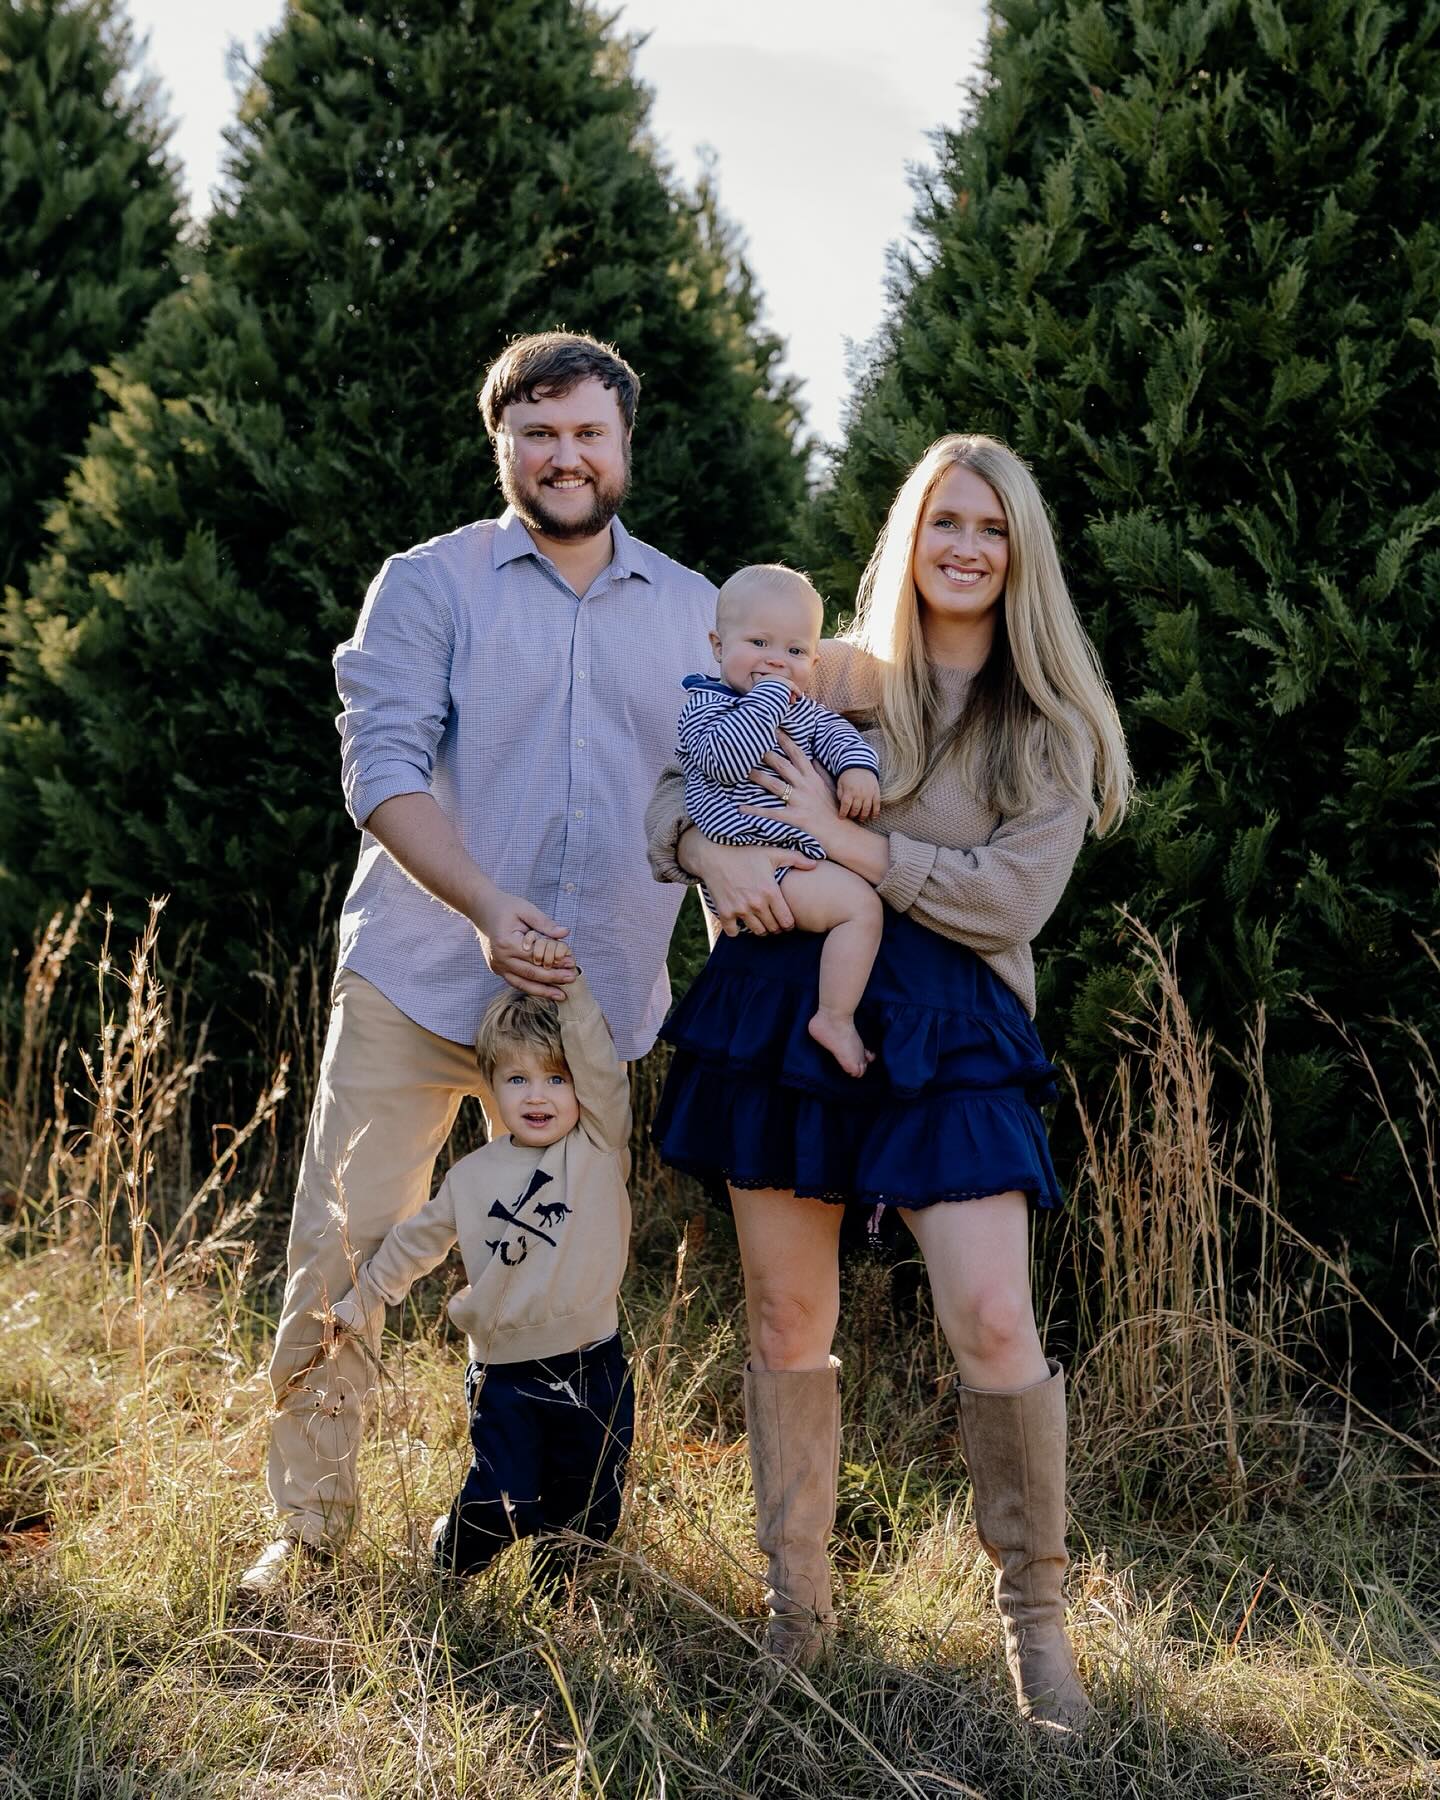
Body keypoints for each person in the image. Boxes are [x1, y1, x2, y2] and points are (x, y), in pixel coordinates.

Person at [644, 434, 1131, 1730]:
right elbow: (683, 774)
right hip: (795, 1004)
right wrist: (707, 848)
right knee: (783, 1320)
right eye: (943, 523)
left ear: (1020, 552)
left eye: (992, 527)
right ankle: (796, 1614)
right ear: (910, 540)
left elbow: (1006, 899)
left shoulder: (1052, 728)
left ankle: (1036, 1625)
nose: (966, 546)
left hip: (957, 1025)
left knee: (993, 1322)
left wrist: (837, 846)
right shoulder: (841, 678)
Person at [239, 331, 717, 1594]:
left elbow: (712, 799)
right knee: (342, 1249)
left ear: (625, 448)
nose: (566, 456)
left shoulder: (693, 611)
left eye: (589, 434)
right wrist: (487, 907)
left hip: (591, 1010)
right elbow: (380, 770)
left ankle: (556, 1537)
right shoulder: (427, 584)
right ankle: (307, 1537)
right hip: (418, 976)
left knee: (570, 1274)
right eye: (540, 432)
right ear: (502, 442)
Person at [326, 947, 633, 1592]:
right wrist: (367, 1296)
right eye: (517, 1080)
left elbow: (602, 1066)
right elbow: (419, 1240)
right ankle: (447, 1560)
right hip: (507, 1372)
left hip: (594, 1364)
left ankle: (558, 1601)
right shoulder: (474, 1178)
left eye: (556, 1078)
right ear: (490, 1089)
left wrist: (572, 990)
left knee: (587, 1505)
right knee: (504, 1498)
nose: (538, 1095)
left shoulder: (598, 1147)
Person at [677, 564, 881, 1077]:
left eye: (794, 652)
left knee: (860, 903)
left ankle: (831, 1010)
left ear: (814, 659)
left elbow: (835, 734)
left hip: (792, 860)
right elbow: (727, 760)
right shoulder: (705, 708)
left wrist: (858, 768)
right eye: (759, 642)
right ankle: (834, 1018)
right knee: (861, 909)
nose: (776, 661)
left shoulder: (802, 708)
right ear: (718, 646)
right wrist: (768, 698)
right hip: (759, 865)